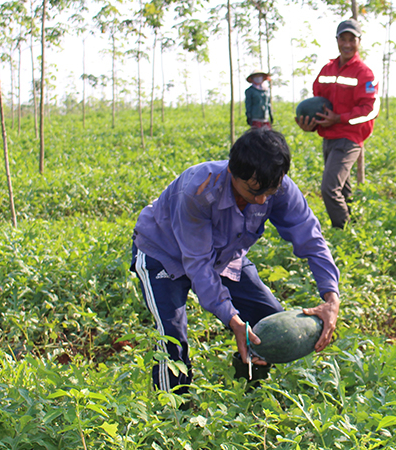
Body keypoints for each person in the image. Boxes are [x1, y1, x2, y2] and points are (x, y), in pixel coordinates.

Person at [130, 128, 340, 395]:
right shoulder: (198, 191)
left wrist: (331, 297)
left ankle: (248, 391)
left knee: (268, 320)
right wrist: (232, 319)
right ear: (232, 171)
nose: (262, 199)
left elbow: (310, 237)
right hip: (163, 253)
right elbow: (198, 264)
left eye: (270, 190)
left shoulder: (279, 188)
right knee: (172, 337)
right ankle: (174, 413)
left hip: (223, 255)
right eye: (253, 191)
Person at [295, 18, 380, 229]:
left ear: (359, 41)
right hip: (329, 137)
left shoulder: (365, 73)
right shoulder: (327, 69)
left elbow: (370, 110)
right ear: (337, 40)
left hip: (350, 138)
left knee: (329, 187)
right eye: (343, 39)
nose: (347, 44)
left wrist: (339, 118)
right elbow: (318, 103)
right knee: (342, 189)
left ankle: (340, 230)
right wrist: (310, 124)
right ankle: (355, 227)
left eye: (352, 39)